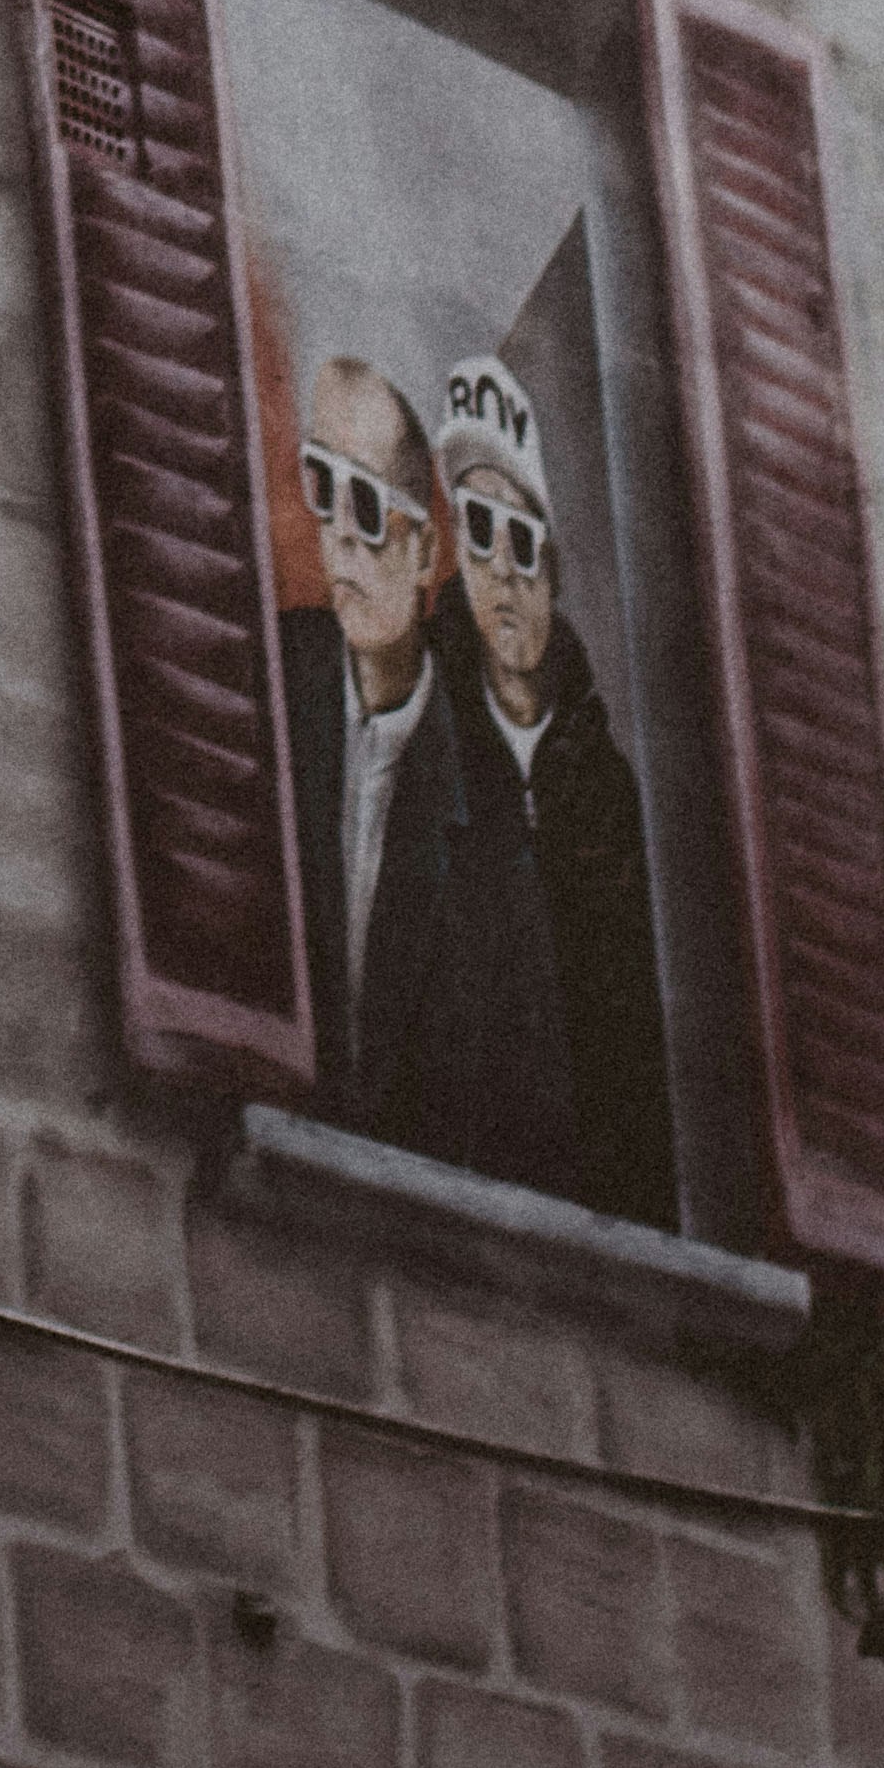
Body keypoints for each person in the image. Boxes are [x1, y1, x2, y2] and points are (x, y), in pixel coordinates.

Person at [276, 351, 575, 1196]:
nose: (338, 533)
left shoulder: (493, 823)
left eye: (367, 507)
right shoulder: (266, 680)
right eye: (320, 487)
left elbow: (531, 1135)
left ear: (424, 555)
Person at [434, 351, 680, 1232]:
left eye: (523, 541)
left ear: (555, 574)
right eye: (477, 529)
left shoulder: (606, 786)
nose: (502, 567)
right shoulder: (426, 739)